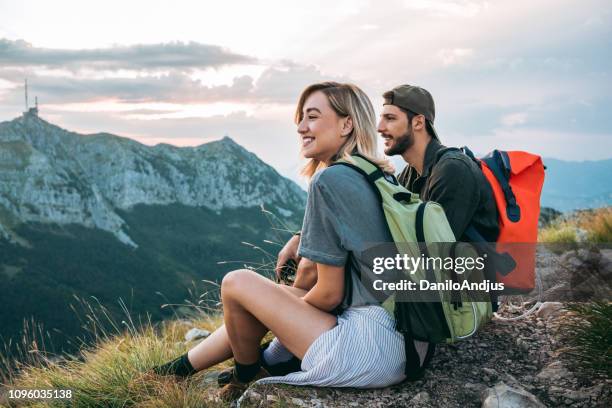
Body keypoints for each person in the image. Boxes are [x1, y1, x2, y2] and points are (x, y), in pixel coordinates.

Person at [153, 82, 433, 401]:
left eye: (312, 117)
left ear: (346, 123)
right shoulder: (376, 174)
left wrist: (278, 323)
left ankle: (247, 374)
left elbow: (329, 294)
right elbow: (320, 272)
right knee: (267, 298)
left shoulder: (330, 179)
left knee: (236, 283)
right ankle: (175, 371)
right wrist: (279, 304)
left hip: (373, 348)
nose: (301, 127)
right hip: (410, 344)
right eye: (300, 118)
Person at [377, 84, 499, 243]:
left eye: (390, 118)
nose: (379, 127)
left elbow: (435, 250)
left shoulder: (454, 170)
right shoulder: (410, 174)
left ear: (418, 123)